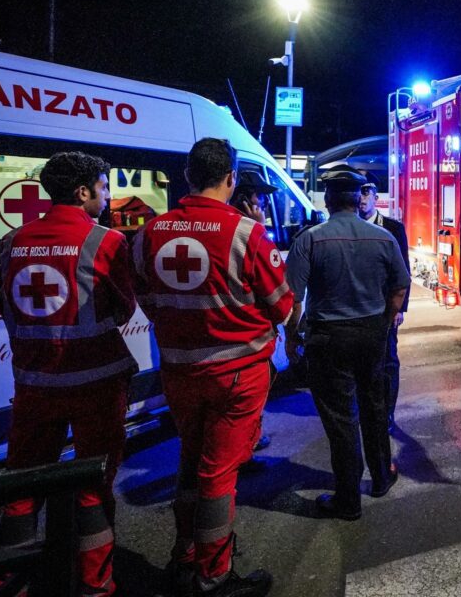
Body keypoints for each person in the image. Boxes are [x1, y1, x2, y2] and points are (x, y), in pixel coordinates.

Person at [134, 138, 292, 597]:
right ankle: (214, 577)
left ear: (187, 177)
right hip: (237, 375)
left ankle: (184, 556)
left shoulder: (148, 233)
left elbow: (146, 300)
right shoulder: (246, 233)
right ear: (230, 179)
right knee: (219, 473)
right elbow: (282, 305)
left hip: (180, 373)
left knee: (190, 460)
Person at [0, 152, 138, 597]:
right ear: (82, 192)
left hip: (35, 385)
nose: (108, 194)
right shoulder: (106, 241)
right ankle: (95, 585)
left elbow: (4, 305)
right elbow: (123, 307)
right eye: (103, 186)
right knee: (93, 487)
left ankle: (8, 585)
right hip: (95, 383)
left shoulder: (11, 241)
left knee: (22, 484)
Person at [287, 167, 409, 520]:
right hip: (371, 335)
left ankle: (348, 499)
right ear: (359, 199)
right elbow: (399, 286)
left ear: (327, 200)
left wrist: (293, 336)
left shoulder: (310, 239)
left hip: (328, 339)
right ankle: (382, 477)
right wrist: (385, 321)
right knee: (374, 407)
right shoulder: (383, 238)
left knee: (341, 418)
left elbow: (293, 296)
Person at [231, 170, 281, 458]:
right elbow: (280, 298)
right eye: (258, 200)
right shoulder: (250, 235)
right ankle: (245, 450)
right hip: (245, 346)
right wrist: (259, 229)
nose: (262, 206)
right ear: (244, 202)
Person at [356, 173, 411, 433]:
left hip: (387, 307)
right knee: (364, 361)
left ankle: (387, 413)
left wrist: (400, 308)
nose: (362, 197)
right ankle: (367, 409)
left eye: (367, 192)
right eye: (359, 192)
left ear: (377, 198)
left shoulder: (393, 228)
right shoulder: (351, 227)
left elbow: (404, 271)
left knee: (389, 360)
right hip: (360, 307)